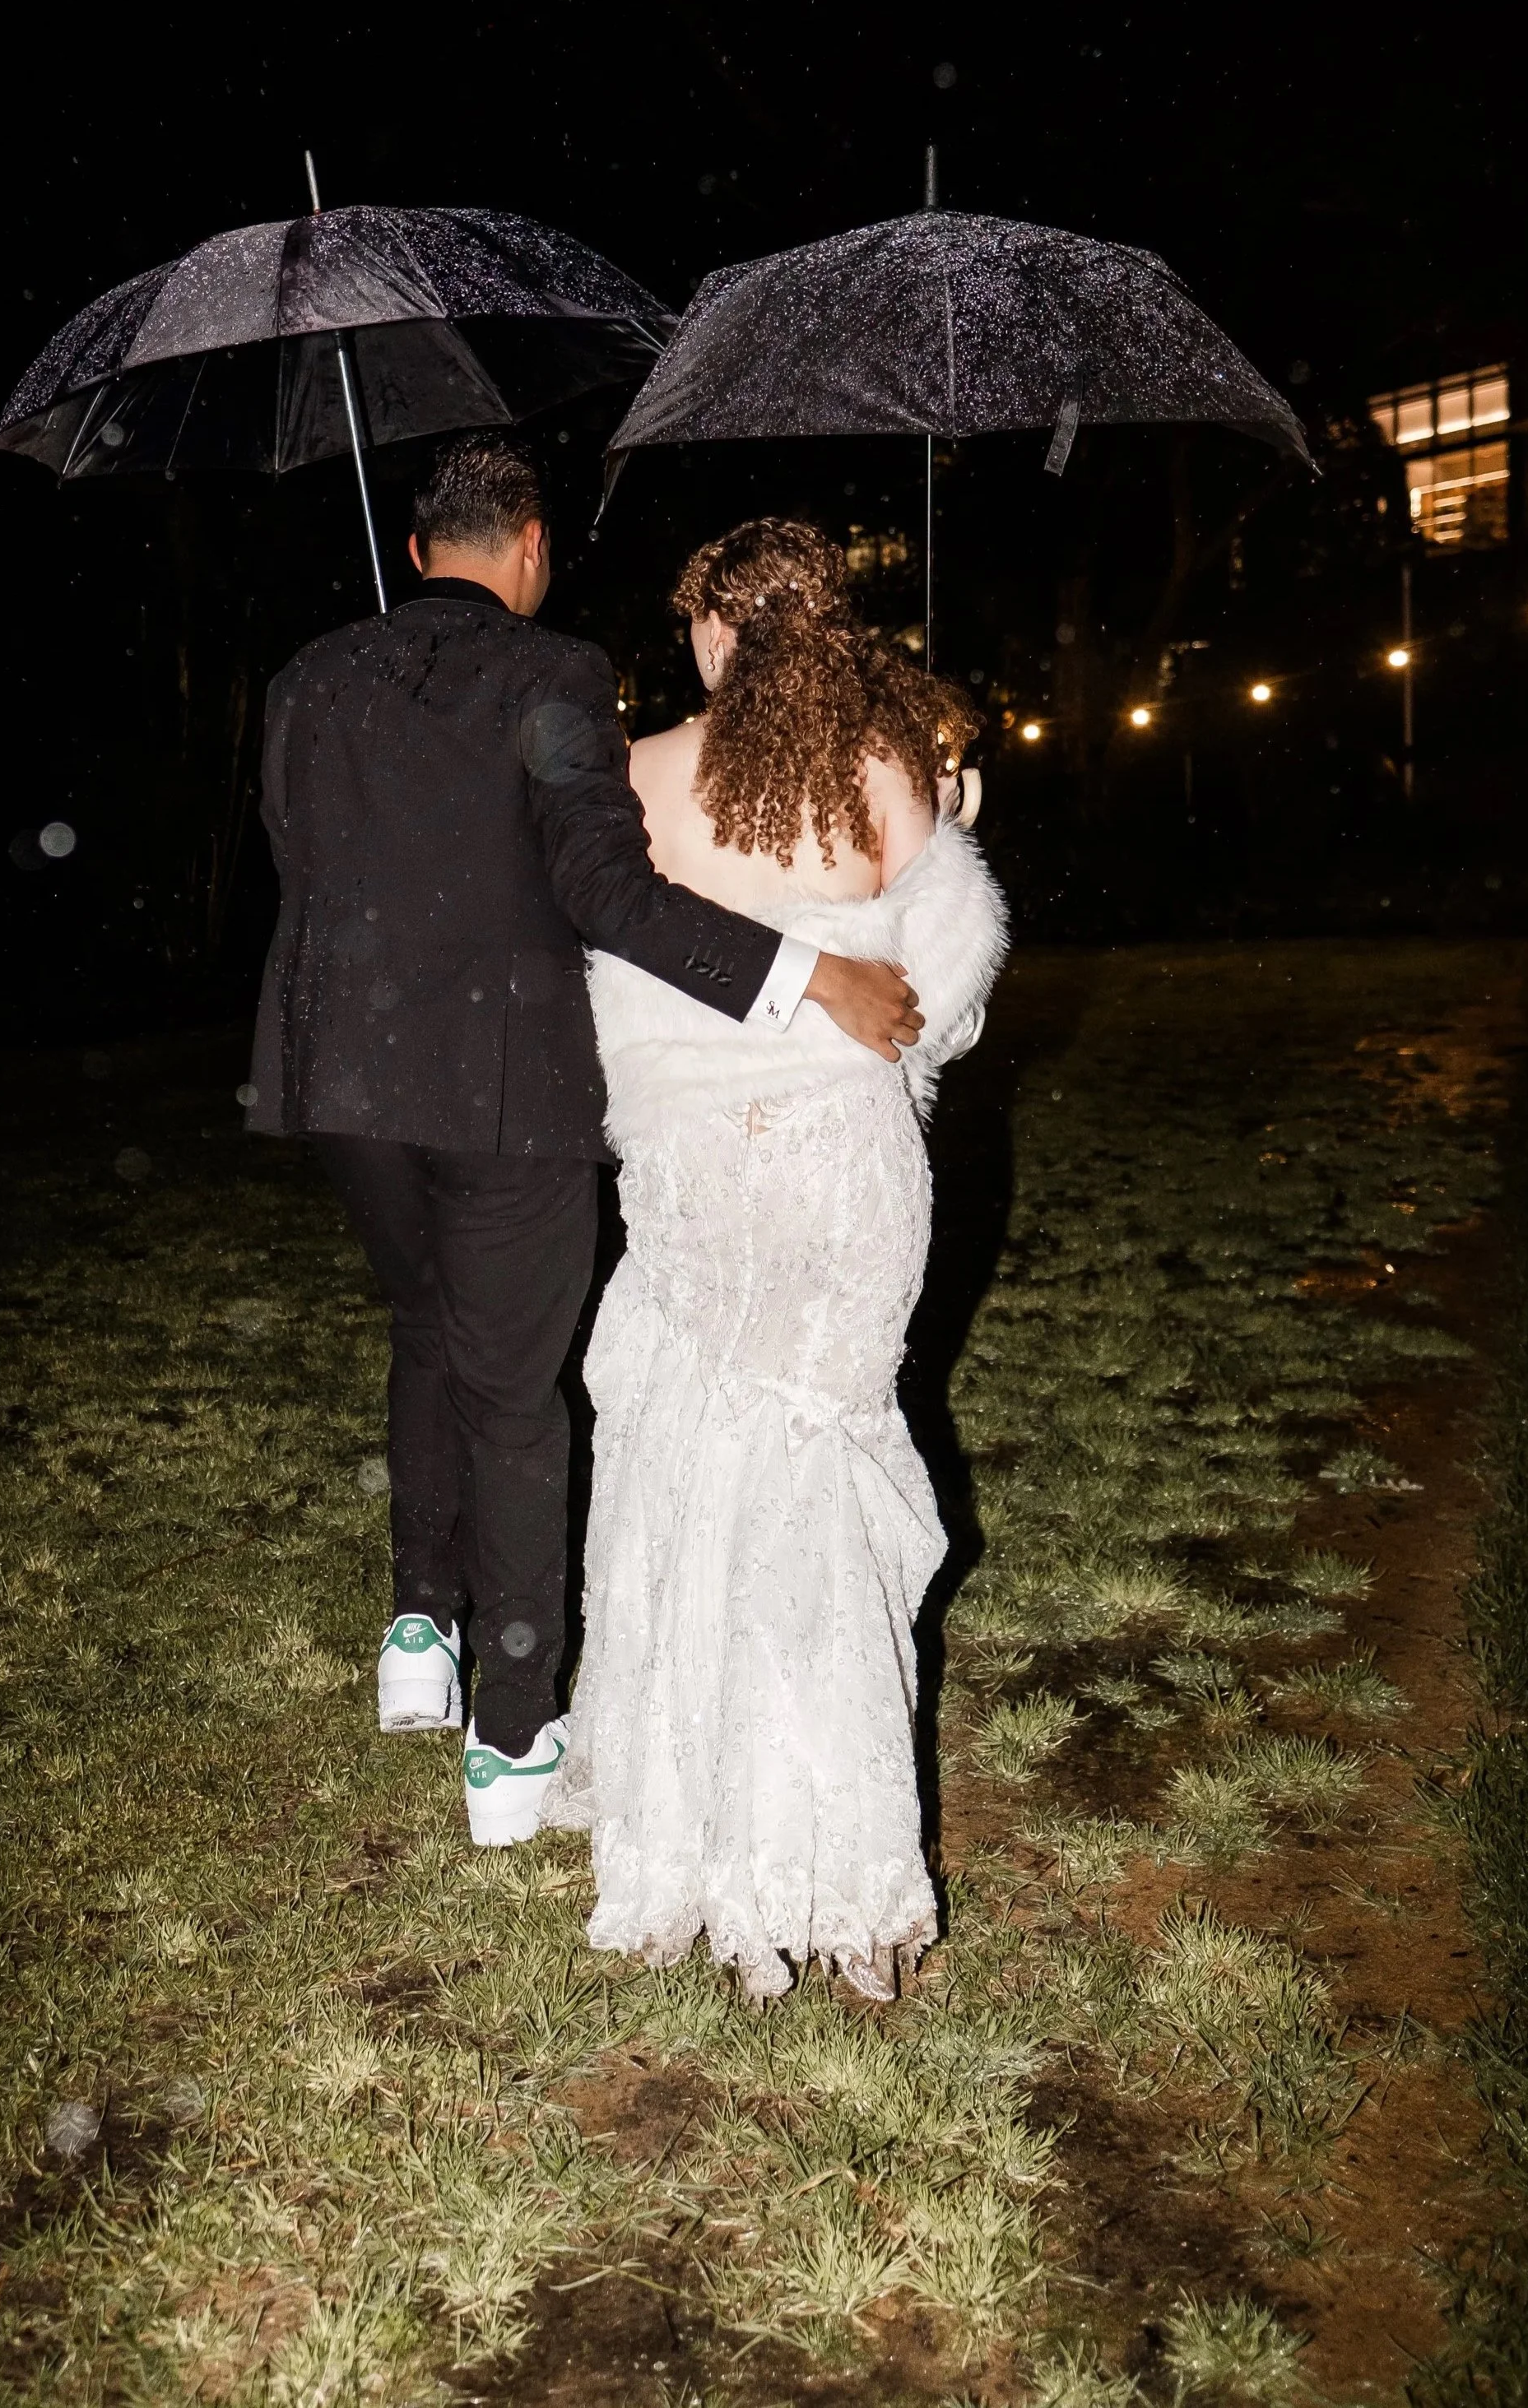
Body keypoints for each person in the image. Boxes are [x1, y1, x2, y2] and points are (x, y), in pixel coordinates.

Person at [245, 439, 925, 1846]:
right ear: (535, 547)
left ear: (424, 543)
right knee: (512, 1394)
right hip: (502, 1090)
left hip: (344, 1085)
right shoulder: (555, 677)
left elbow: (299, 854)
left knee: (426, 1327)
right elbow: (609, 888)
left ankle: (417, 1630)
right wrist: (807, 974)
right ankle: (509, 1738)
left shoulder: (307, 679)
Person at [543, 517, 1007, 1998]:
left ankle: (703, 1840)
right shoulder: (893, 770)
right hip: (849, 1172)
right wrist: (951, 823)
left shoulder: (645, 775)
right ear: (832, 631)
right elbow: (943, 1003)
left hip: (702, 1176)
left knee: (701, 1466)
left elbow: (592, 943)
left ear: (705, 633)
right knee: (822, 1468)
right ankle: (844, 1871)